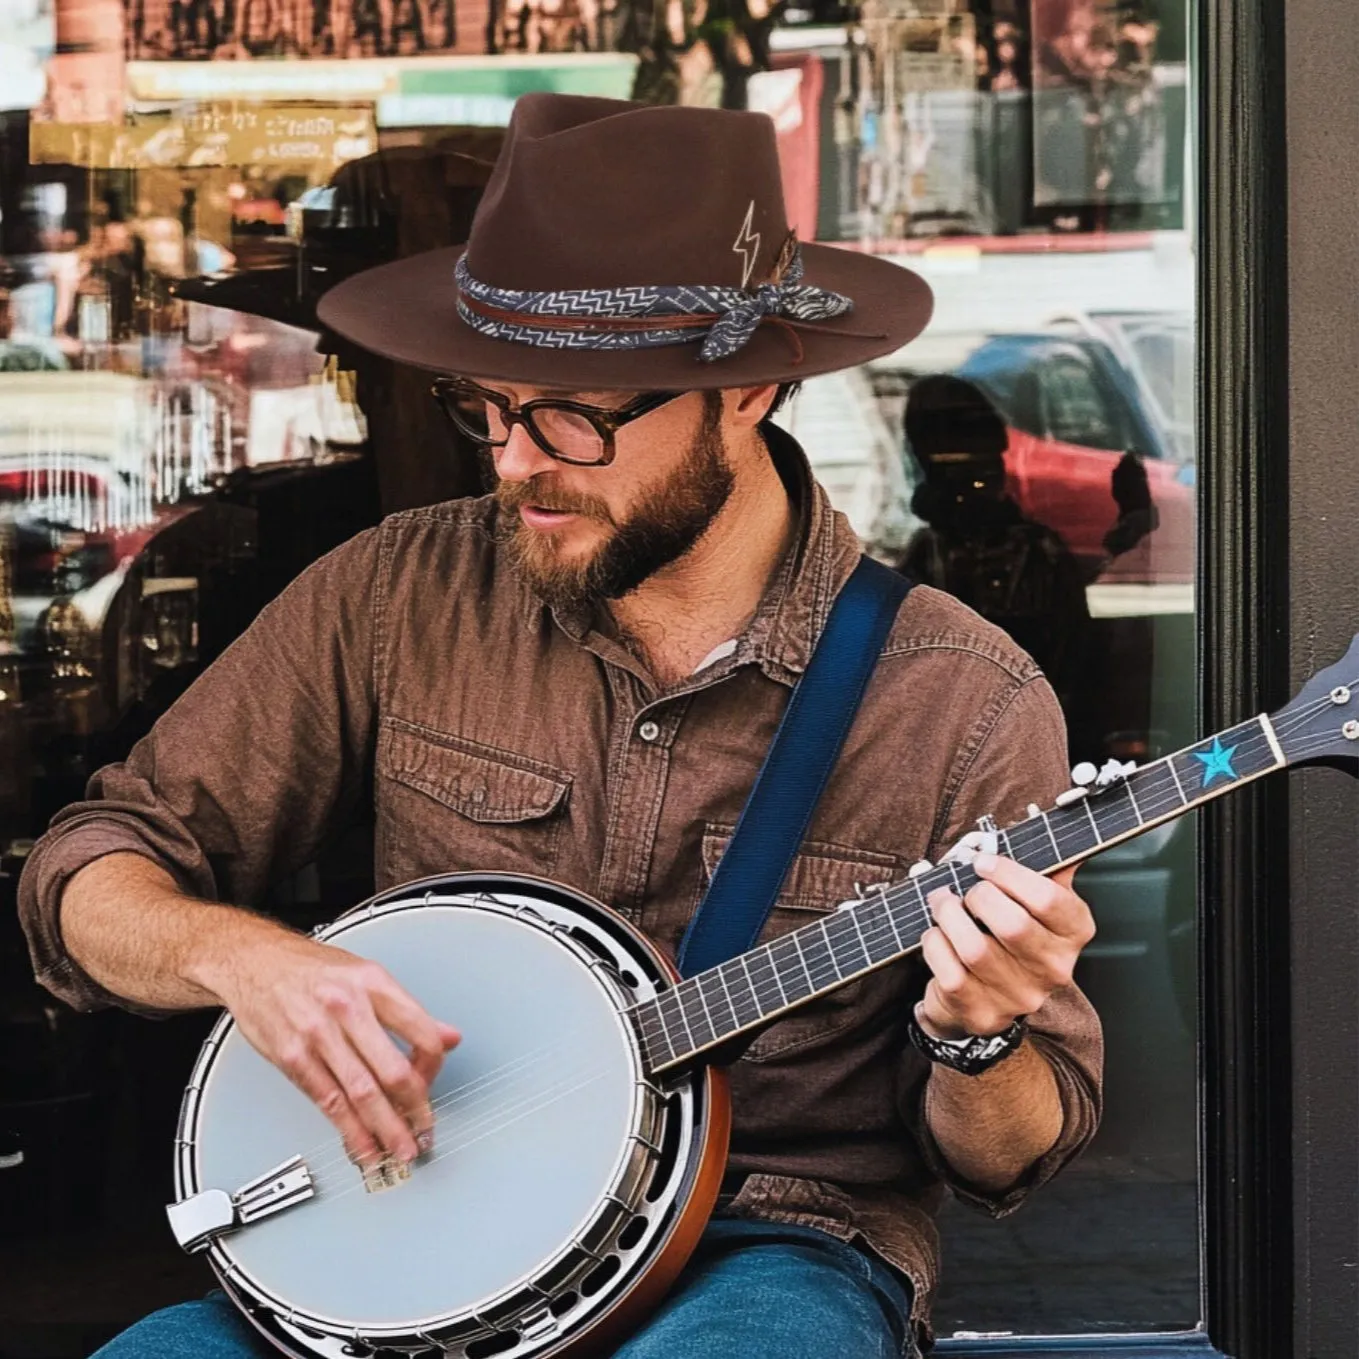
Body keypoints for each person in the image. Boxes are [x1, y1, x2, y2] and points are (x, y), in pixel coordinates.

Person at [18, 94, 1102, 1359]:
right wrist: (245, 962)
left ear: (744, 393)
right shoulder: (397, 593)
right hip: (411, 1220)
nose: (514, 462)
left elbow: (1010, 1158)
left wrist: (980, 1034)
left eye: (573, 413)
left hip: (759, 1247)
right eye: (486, 404)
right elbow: (83, 875)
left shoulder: (962, 704)